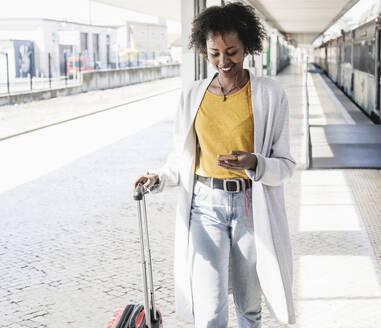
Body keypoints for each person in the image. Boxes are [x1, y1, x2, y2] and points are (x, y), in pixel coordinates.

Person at [132, 2, 296, 327]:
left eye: (231, 51)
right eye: (214, 53)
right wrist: (158, 178)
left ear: (247, 46)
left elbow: (286, 165)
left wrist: (255, 162)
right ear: (203, 51)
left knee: (249, 308)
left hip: (251, 206)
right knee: (208, 311)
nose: (223, 61)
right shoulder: (193, 96)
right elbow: (181, 160)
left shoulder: (268, 95)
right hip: (205, 207)